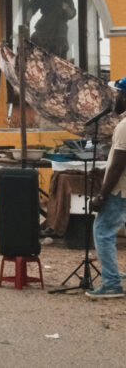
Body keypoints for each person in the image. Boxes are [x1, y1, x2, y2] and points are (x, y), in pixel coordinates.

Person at [87, 77, 126, 298]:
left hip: (120, 190)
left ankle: (111, 283)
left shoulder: (124, 127)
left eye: (118, 94)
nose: (116, 98)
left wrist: (102, 195)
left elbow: (119, 164)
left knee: (103, 232)